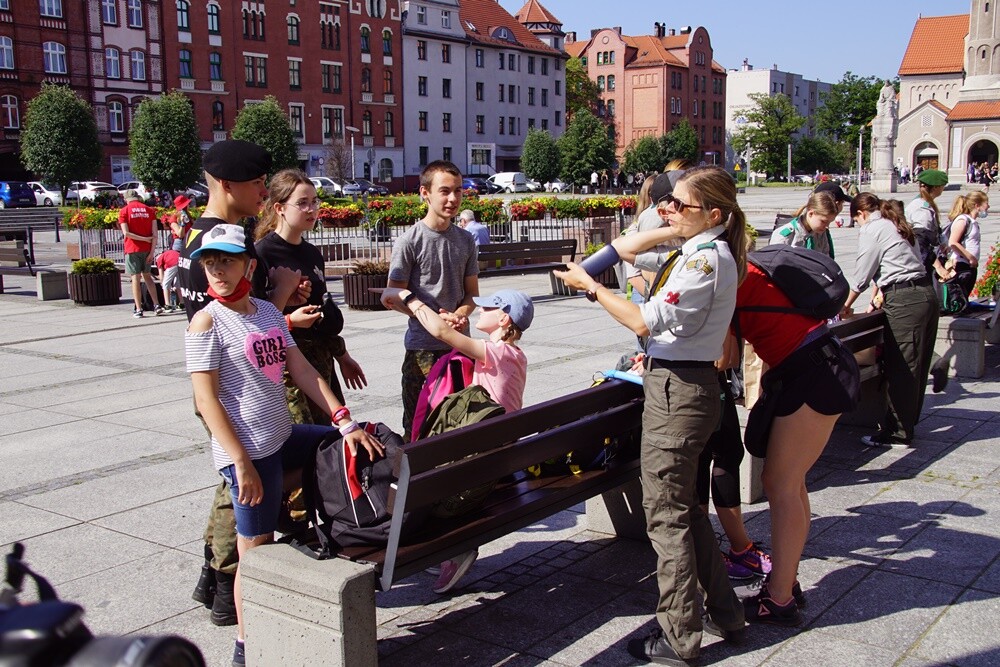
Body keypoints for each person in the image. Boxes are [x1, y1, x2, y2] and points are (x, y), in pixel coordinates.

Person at [555, 166, 747, 666]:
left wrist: (591, 286)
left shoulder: (704, 260)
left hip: (679, 395)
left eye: (679, 204)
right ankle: (725, 613)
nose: (668, 211)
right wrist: (677, 221)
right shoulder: (705, 248)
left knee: (666, 518)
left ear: (714, 214)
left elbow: (642, 318)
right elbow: (631, 245)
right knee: (686, 511)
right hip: (685, 384)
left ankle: (678, 637)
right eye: (669, 203)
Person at [185, 223, 382, 667]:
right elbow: (205, 398)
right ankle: (246, 645)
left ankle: (333, 534)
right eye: (210, 262)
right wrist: (241, 464)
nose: (217, 269)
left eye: (227, 260)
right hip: (248, 453)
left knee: (342, 444)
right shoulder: (207, 322)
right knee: (254, 550)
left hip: (282, 436)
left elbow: (303, 371)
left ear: (249, 266)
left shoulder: (268, 314)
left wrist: (345, 421)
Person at [178, 139, 303, 631]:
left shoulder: (206, 234)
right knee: (242, 486)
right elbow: (223, 324)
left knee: (244, 486)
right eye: (256, 184)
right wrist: (282, 296)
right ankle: (230, 584)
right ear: (227, 185)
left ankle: (221, 576)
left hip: (249, 380)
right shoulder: (211, 247)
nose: (264, 193)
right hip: (232, 387)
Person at [730, 244, 861, 627]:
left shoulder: (729, 276)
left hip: (814, 372)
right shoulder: (746, 265)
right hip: (816, 365)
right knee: (789, 482)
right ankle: (785, 581)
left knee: (781, 484)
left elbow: (723, 356)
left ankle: (780, 598)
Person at [382, 287, 533, 594]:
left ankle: (456, 547)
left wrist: (409, 297)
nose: (479, 310)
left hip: (485, 455)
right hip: (500, 449)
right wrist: (463, 330)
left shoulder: (497, 352)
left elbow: (440, 333)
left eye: (488, 308)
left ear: (504, 319)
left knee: (417, 477)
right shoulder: (513, 354)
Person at [254, 169, 366, 426]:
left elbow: (321, 311)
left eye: (314, 202)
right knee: (302, 444)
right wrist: (290, 319)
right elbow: (254, 323)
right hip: (286, 368)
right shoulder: (262, 254)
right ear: (280, 208)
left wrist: (342, 356)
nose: (311, 209)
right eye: (302, 203)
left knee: (327, 439)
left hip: (320, 364)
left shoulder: (312, 253)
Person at [387, 161, 479, 441]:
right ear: (425, 193)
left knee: (462, 427)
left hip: (460, 347)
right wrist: (427, 316)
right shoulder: (409, 241)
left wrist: (461, 313)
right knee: (418, 432)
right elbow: (393, 294)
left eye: (458, 191)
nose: (452, 199)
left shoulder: (465, 240)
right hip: (422, 351)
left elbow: (471, 293)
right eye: (444, 191)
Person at [842, 193, 939, 448]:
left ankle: (898, 432)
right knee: (917, 363)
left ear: (861, 213)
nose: (858, 227)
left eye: (856, 221)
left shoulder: (873, 227)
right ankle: (908, 421)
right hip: (925, 293)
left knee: (903, 367)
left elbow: (862, 275)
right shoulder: (896, 222)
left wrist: (846, 304)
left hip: (905, 300)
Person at [118, 189, 164, 318]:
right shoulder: (149, 210)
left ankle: (138, 308)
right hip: (147, 249)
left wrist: (142, 239)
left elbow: (126, 233)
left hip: (132, 249)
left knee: (135, 279)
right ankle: (156, 305)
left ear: (126, 199)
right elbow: (155, 234)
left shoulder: (124, 211)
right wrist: (151, 252)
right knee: (148, 277)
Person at [905, 169, 952, 282]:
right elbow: (921, 241)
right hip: (922, 263)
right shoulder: (922, 209)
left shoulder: (922, 204)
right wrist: (938, 266)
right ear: (935, 187)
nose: (943, 188)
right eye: (942, 186)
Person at [943, 191, 988, 299]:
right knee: (958, 300)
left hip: (969, 266)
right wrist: (971, 258)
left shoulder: (972, 222)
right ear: (977, 205)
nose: (988, 207)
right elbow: (953, 242)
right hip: (961, 265)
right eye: (986, 203)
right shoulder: (963, 220)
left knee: (964, 299)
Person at [769, 190, 840, 258]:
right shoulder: (785, 236)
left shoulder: (821, 234)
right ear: (811, 213)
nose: (827, 226)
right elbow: (775, 264)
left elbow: (826, 261)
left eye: (829, 222)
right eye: (823, 221)